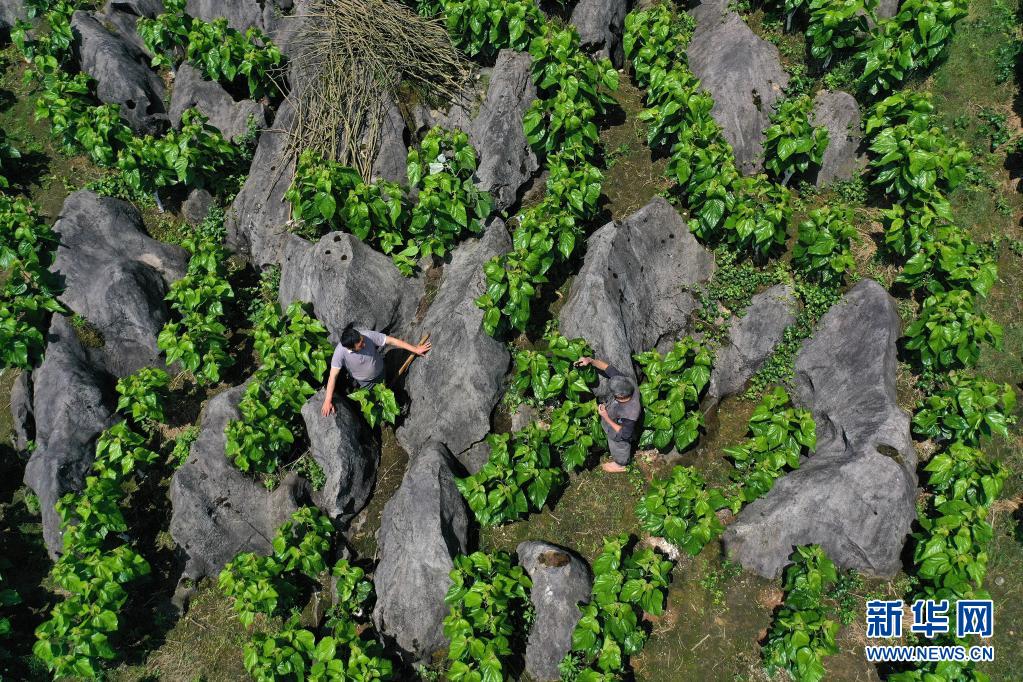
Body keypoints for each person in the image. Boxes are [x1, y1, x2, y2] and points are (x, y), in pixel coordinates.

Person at [320, 325, 431, 416]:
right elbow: (333, 376)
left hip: (381, 371)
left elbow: (392, 341)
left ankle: (392, 403)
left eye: (363, 340)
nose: (364, 344)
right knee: (374, 399)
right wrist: (327, 400)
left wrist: (415, 349)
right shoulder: (340, 353)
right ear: (350, 348)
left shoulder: (367, 335)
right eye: (360, 345)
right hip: (365, 382)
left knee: (385, 389)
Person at [575, 355, 641, 473]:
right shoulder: (625, 382)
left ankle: (620, 464)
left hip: (621, 431)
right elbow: (607, 368)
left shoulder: (631, 412)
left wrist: (605, 416)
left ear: (620, 396)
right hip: (618, 416)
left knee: (619, 442)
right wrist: (590, 360)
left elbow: (625, 434)